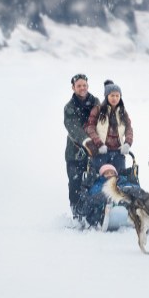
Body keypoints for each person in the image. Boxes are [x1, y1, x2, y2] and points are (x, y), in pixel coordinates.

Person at [64, 73, 100, 217]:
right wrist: (86, 141)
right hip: (75, 152)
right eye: (79, 86)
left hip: (95, 151)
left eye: (84, 85)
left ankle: (94, 212)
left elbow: (102, 122)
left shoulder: (96, 102)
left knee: (94, 180)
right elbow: (73, 128)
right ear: (73, 88)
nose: (82, 88)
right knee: (75, 183)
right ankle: (77, 213)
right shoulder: (69, 107)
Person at [85, 80, 134, 175]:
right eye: (112, 95)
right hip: (101, 152)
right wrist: (99, 144)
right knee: (100, 179)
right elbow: (90, 128)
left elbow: (129, 128)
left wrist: (128, 143)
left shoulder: (123, 112)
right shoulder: (98, 110)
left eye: (117, 96)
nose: (115, 98)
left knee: (120, 179)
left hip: (118, 153)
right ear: (107, 96)